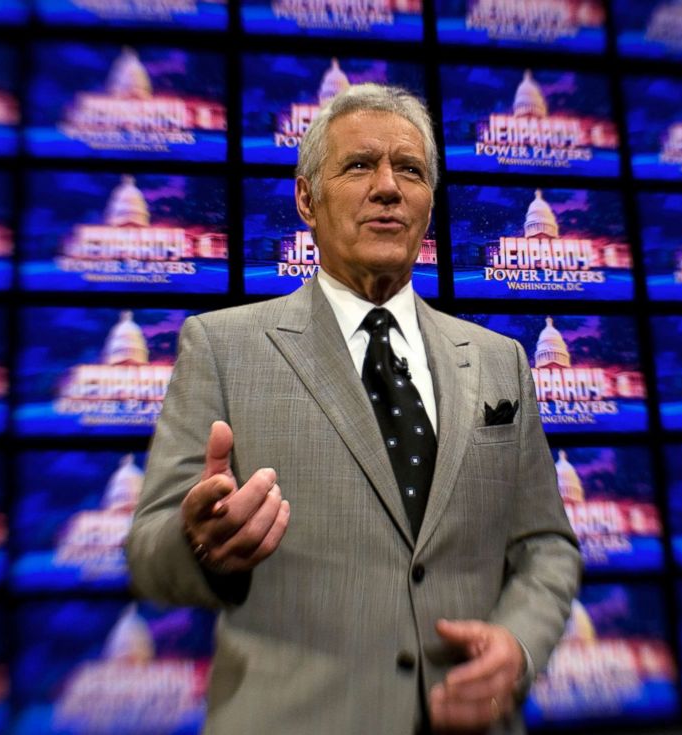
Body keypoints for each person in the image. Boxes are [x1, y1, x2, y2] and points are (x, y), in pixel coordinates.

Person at [127, 83, 581, 735]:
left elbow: (546, 546)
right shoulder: (221, 346)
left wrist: (520, 643)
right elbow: (148, 552)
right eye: (360, 164)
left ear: (429, 202)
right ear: (307, 199)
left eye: (411, 170)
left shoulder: (501, 359)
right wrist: (200, 544)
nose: (389, 187)